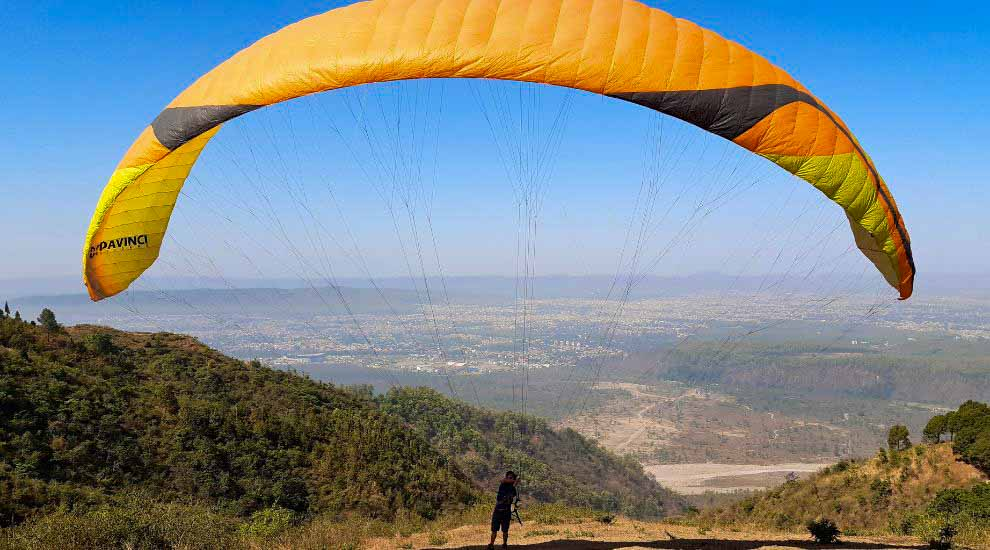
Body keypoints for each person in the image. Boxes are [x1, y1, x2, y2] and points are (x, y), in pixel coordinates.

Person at [488, 471, 518, 549]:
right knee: (494, 530)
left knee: (505, 530)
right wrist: (515, 481)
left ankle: (504, 544)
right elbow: (504, 481)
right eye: (507, 477)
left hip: (506, 511)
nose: (508, 478)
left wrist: (514, 484)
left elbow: (510, 496)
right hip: (498, 510)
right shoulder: (503, 484)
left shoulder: (513, 489)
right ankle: (491, 544)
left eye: (510, 477)